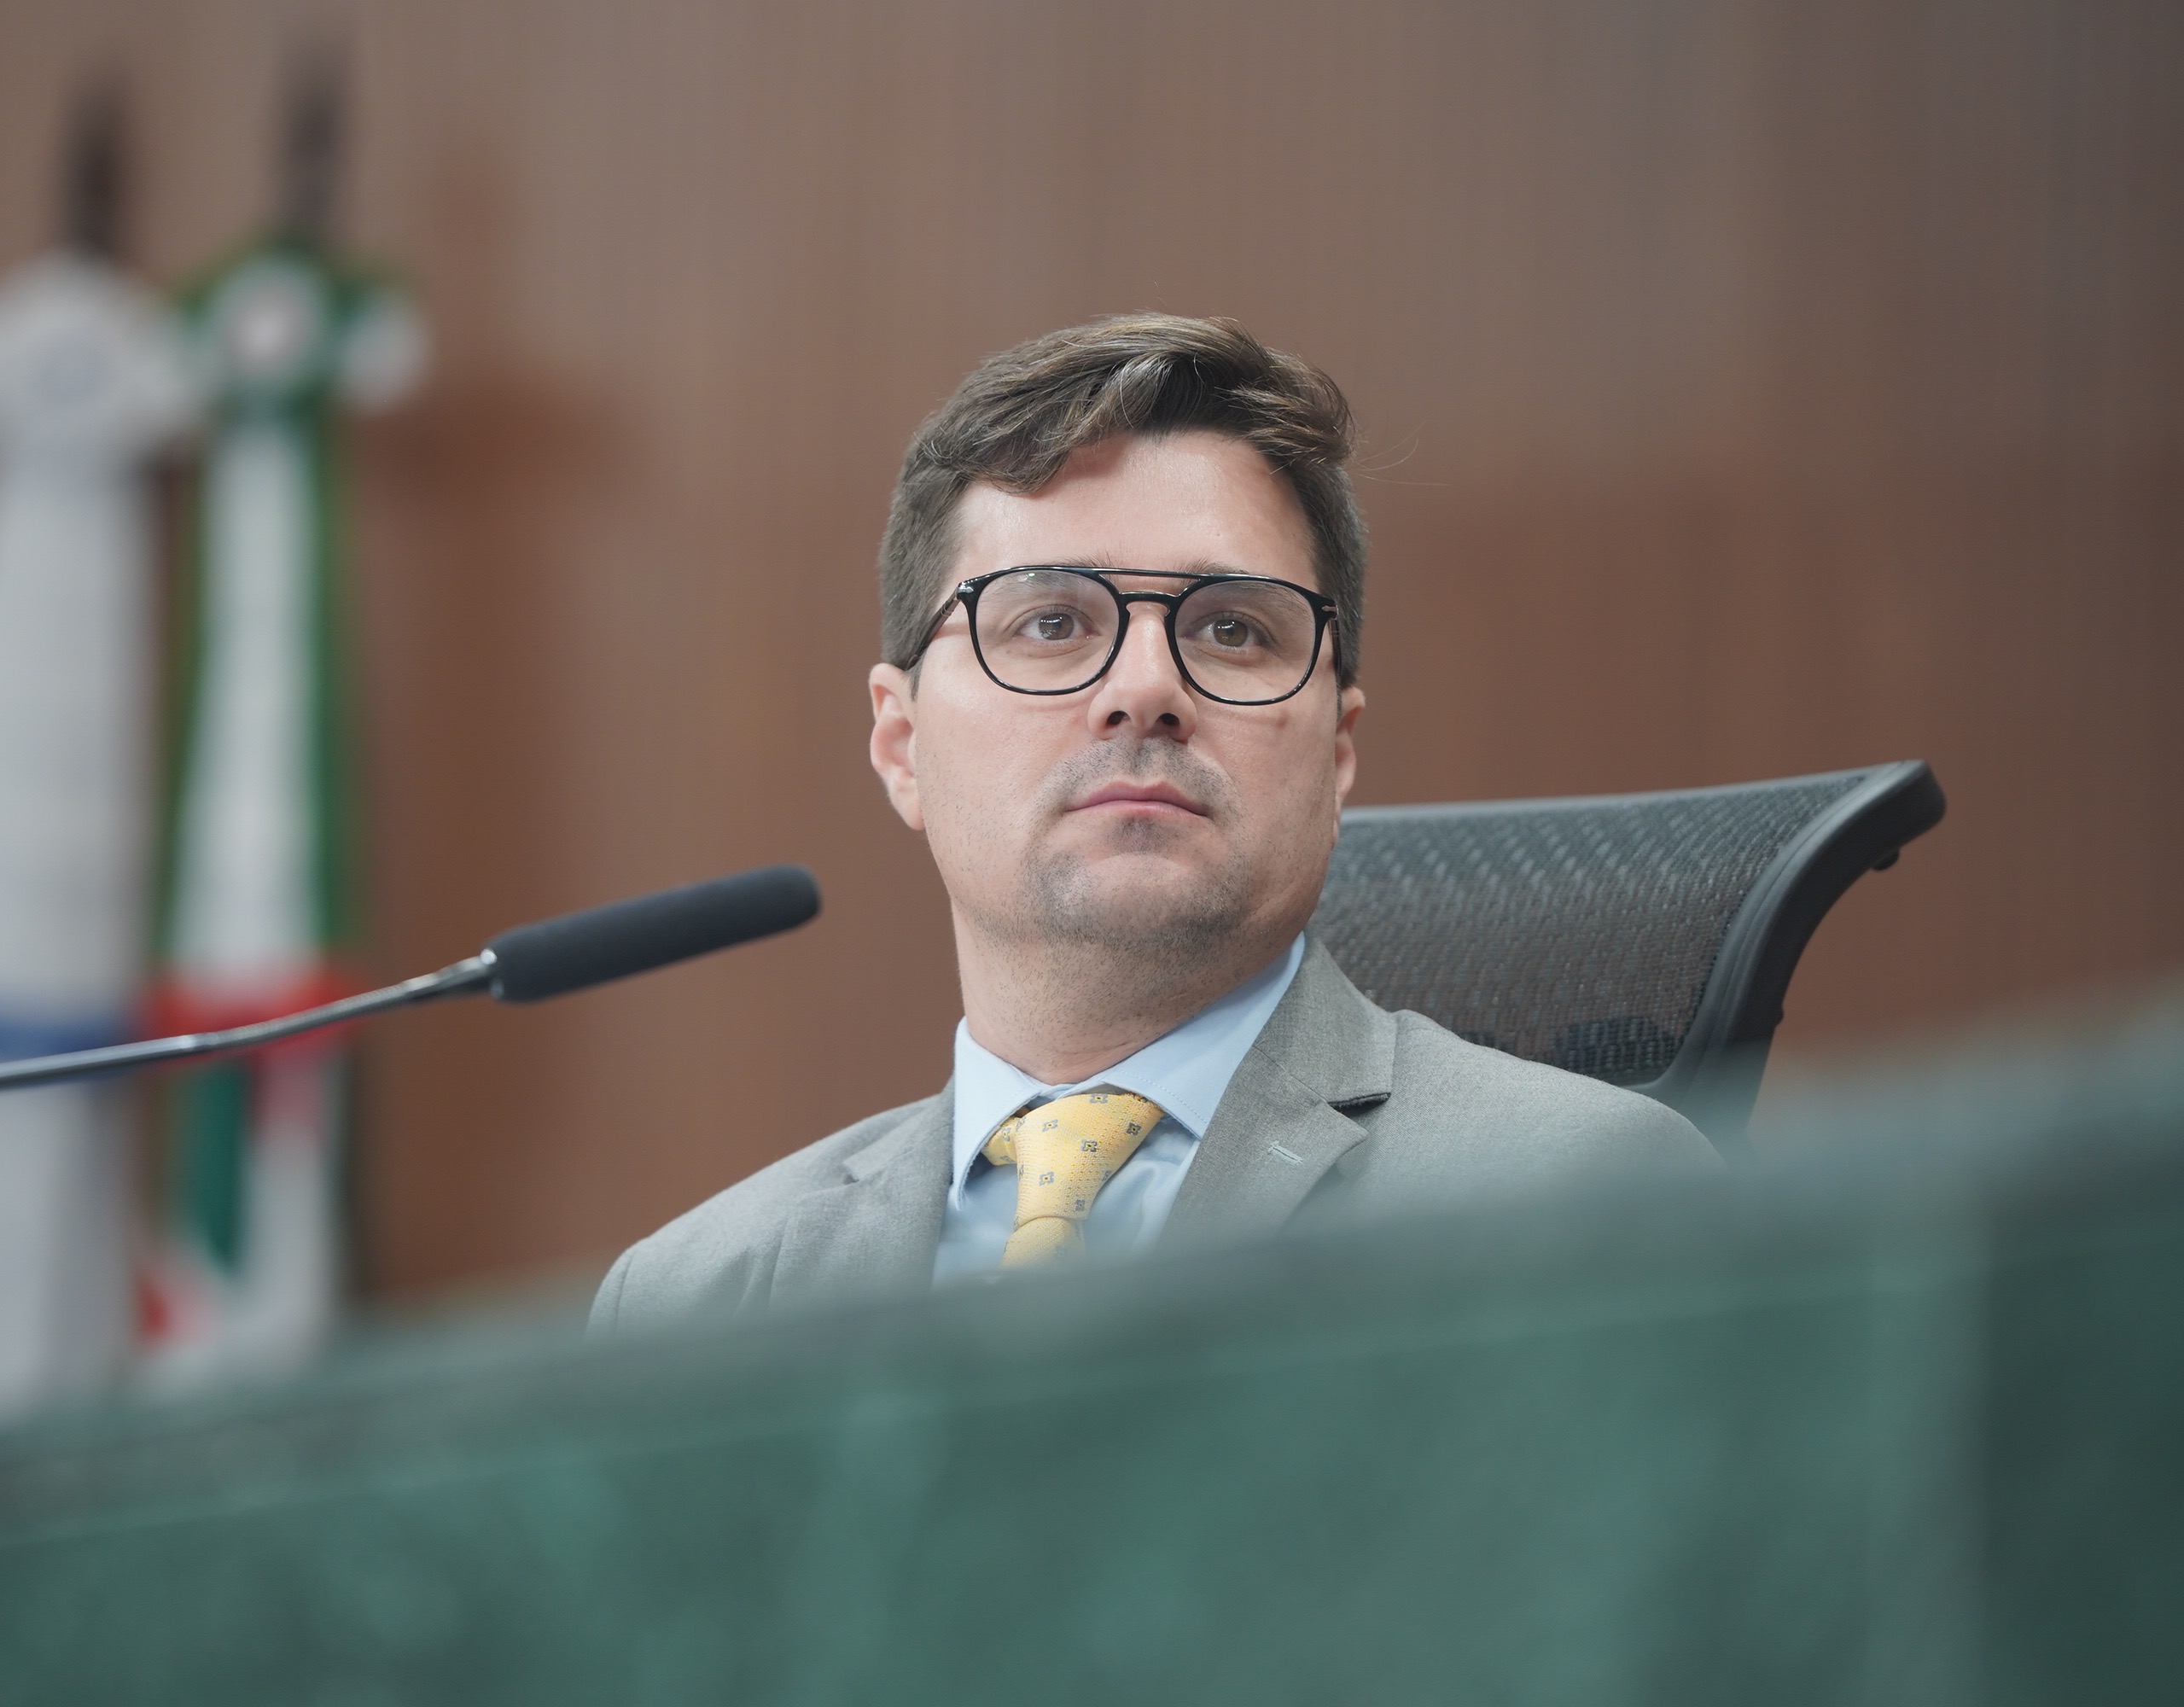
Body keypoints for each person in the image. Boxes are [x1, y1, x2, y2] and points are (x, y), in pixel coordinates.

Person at [591, 314, 1713, 1331]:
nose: (1144, 688)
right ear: (901, 745)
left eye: (1232, 630)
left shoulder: (1578, 1202)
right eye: (1049, 622)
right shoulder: (691, 1305)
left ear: (1336, 752)